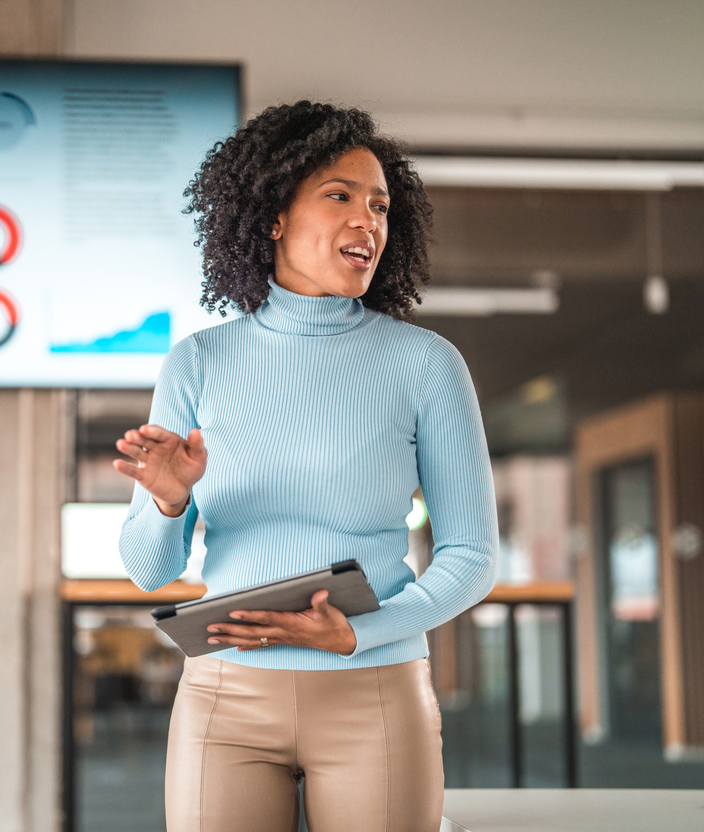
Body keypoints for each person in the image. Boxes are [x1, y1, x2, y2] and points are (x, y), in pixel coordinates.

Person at [115, 101, 498, 832]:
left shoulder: (426, 366)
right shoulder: (198, 362)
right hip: (225, 698)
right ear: (272, 218)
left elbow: (472, 556)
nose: (369, 221)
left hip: (376, 690)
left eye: (381, 205)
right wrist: (166, 503)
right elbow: (148, 571)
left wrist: (362, 632)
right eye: (340, 196)